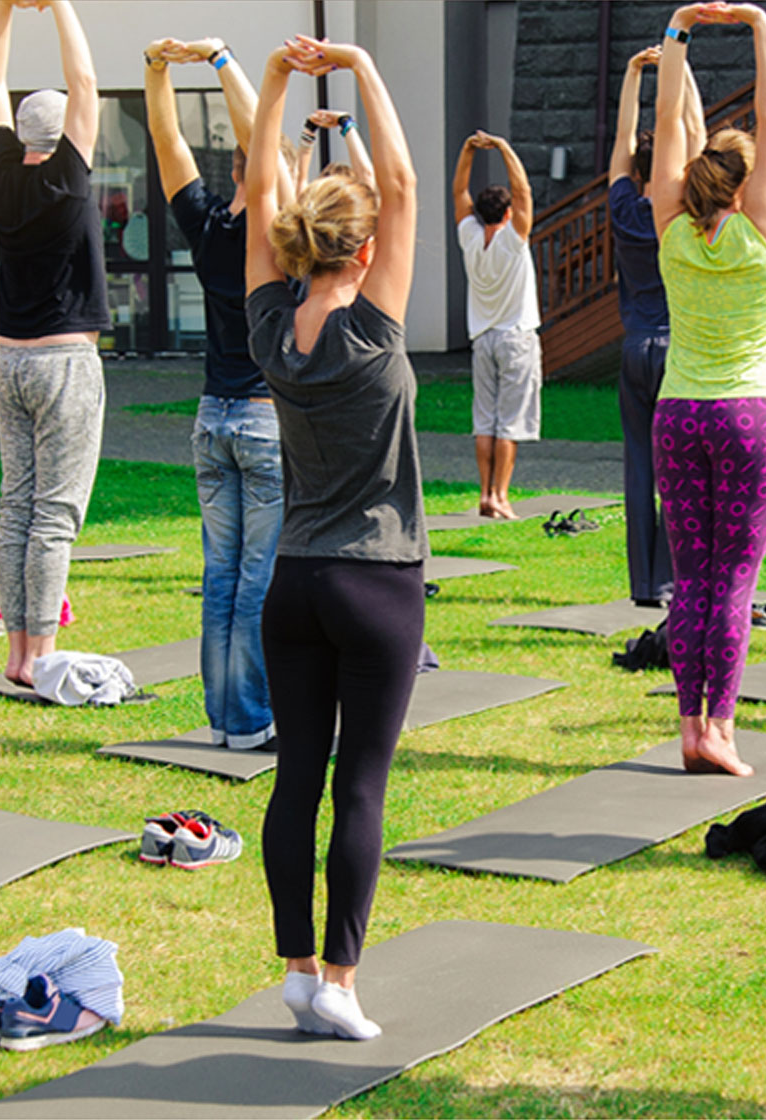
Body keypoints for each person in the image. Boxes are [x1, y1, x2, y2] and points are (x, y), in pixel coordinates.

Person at [244, 33, 423, 1043]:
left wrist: (272, 86)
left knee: (297, 776)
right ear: (362, 252)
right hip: (379, 580)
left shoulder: (273, 326)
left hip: (297, 580)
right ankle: (343, 983)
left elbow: (260, 187)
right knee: (360, 782)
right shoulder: (376, 323)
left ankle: (299, 970)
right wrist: (357, 59)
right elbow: (396, 178)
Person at [649, 0, 766, 780]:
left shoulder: (671, 226)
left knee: (693, 579)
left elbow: (668, 120)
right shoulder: (761, 230)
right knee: (734, 583)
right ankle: (721, 729)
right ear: (747, 183)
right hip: (747, 418)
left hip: (678, 416)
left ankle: (686, 725)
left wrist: (678, 31)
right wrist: (761, 26)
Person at [145, 35, 283, 754]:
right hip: (263, 421)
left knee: (221, 576)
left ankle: (226, 719)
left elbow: (167, 140)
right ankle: (252, 717)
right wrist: (225, 61)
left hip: (211, 418)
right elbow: (264, 150)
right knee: (256, 579)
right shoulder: (274, 231)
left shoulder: (207, 225)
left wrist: (157, 68)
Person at [0, 0, 107, 689]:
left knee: (17, 504)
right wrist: (58, 5)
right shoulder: (67, 176)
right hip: (64, 361)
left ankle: (16, 649)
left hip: (9, 359)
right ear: (63, 136)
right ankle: (41, 650)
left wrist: (3, 11)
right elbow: (84, 85)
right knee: (53, 511)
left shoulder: (2, 175)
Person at [608, 44, 699, 607]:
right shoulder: (679, 210)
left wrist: (632, 74)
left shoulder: (622, 209)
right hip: (676, 349)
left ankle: (644, 583)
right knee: (680, 471)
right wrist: (680, 70)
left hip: (632, 348)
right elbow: (690, 130)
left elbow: (622, 144)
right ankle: (670, 578)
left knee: (639, 467)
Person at [453, 131, 539, 520]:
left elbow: (458, 192)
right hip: (516, 337)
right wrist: (506, 147)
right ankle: (500, 497)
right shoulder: (512, 240)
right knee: (510, 421)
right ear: (506, 215)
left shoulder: (470, 236)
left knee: (484, 420)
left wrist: (467, 151)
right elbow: (523, 193)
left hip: (482, 337)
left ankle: (484, 494)